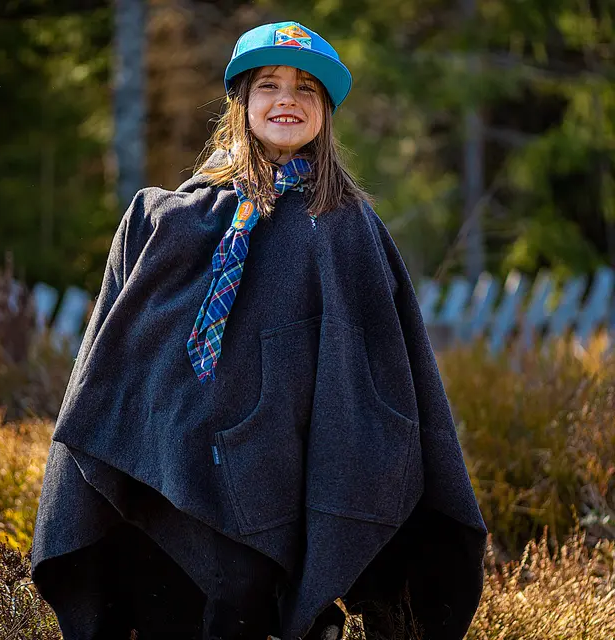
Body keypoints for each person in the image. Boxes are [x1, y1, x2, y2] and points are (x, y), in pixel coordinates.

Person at [31, 21, 488, 640]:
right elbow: (113, 371)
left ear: (325, 110)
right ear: (240, 104)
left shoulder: (347, 229)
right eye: (268, 85)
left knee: (255, 602)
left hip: (290, 476)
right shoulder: (168, 221)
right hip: (176, 476)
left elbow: (385, 378)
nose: (287, 100)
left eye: (306, 89)